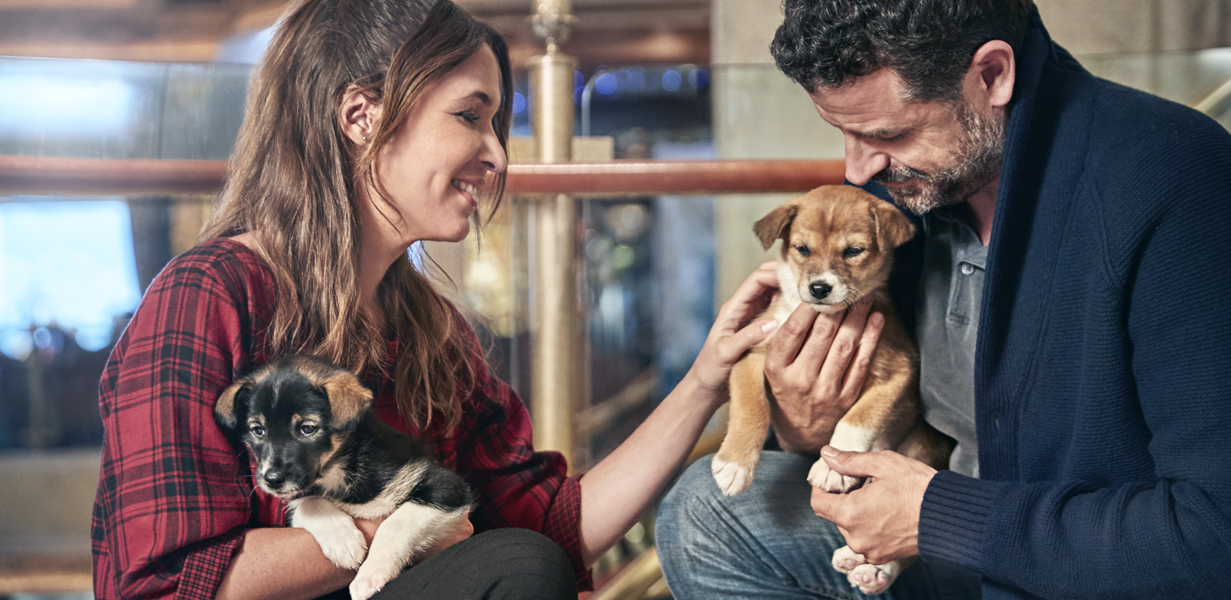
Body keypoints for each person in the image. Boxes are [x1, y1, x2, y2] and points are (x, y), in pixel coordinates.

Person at [90, 1, 787, 598]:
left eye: (495, 124)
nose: (498, 156)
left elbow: (550, 522)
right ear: (362, 115)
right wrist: (400, 526)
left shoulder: (428, 327)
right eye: (469, 117)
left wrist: (707, 380)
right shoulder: (206, 296)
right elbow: (160, 583)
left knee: (525, 560)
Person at [656, 0, 1231, 598]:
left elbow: (1216, 533)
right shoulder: (915, 192)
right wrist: (809, 428)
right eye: (843, 133)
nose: (858, 170)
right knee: (705, 514)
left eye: (887, 133)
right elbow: (889, 407)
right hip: (938, 533)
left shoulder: (1176, 178)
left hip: (1083, 565)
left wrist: (939, 517)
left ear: (991, 76)